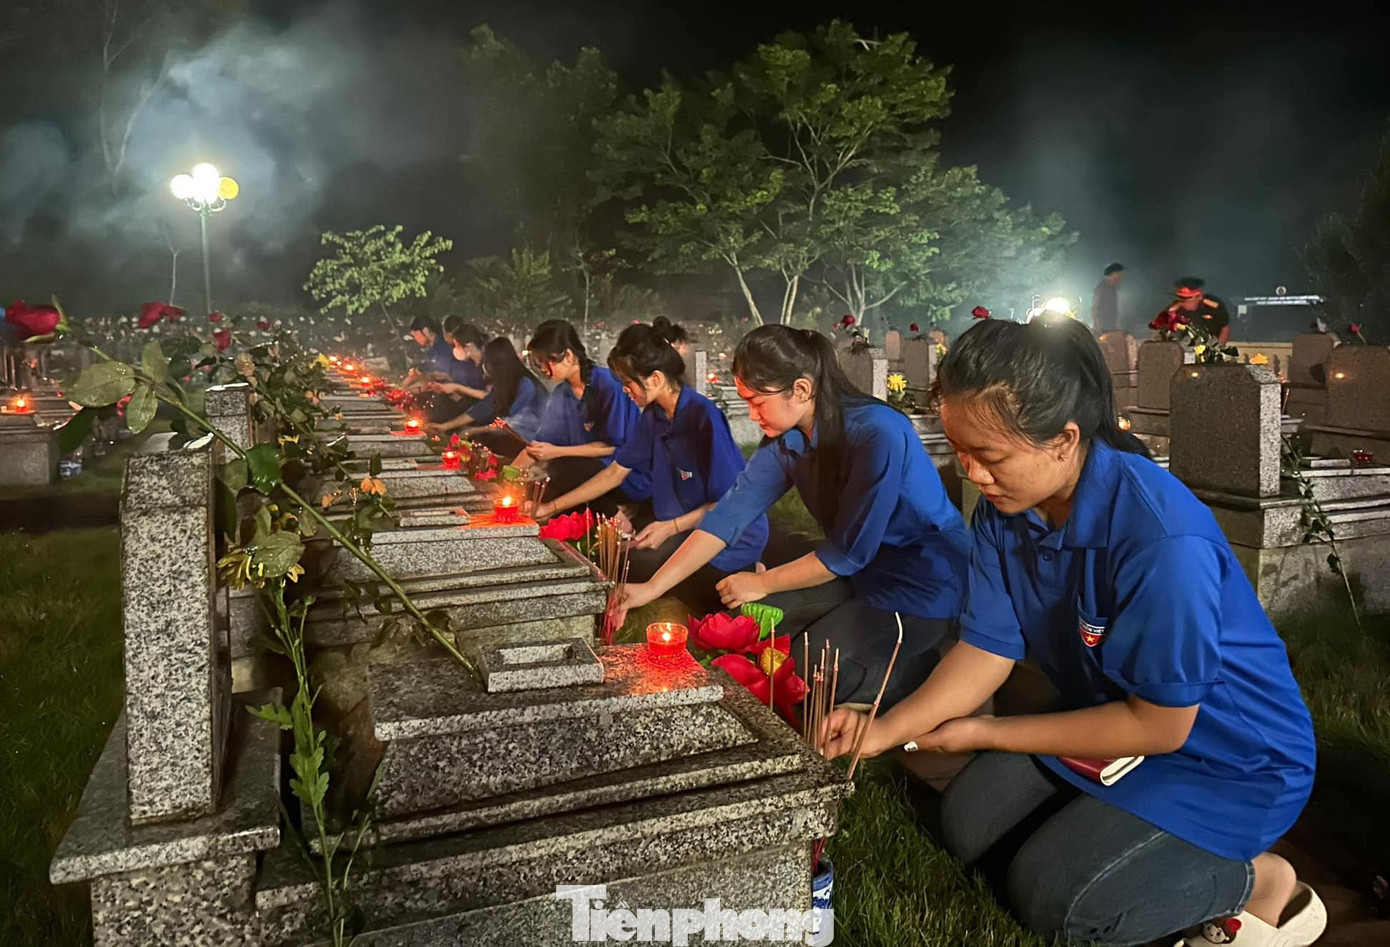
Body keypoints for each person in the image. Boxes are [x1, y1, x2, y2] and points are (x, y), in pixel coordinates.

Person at [823, 317, 1323, 947]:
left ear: (1062, 439)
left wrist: (987, 732)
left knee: (1064, 903)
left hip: (1227, 756)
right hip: (1113, 719)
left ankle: (1259, 881)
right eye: (960, 451)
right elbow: (985, 648)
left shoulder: (1159, 538)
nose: (973, 473)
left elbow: (1161, 726)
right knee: (969, 822)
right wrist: (885, 727)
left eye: (991, 456)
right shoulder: (1008, 511)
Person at [617, 324, 971, 708]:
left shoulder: (877, 434)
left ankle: (922, 675)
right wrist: (651, 588)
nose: (751, 416)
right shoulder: (788, 441)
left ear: (800, 390)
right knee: (757, 629)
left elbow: (849, 553)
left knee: (806, 671)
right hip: (858, 574)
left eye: (757, 401)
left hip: (923, 581)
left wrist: (765, 582)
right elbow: (728, 517)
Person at [533, 319, 767, 613]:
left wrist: (669, 528)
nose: (625, 392)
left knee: (648, 573)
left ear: (655, 379)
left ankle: (748, 568)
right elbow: (615, 472)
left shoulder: (702, 417)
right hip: (682, 529)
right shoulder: (654, 417)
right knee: (614, 559)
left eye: (629, 384)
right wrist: (549, 508)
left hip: (724, 536)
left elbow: (725, 504)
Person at [515, 319, 651, 516]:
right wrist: (506, 477)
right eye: (539, 364)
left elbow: (611, 446)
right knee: (538, 487)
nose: (543, 369)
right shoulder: (562, 394)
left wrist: (557, 452)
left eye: (546, 362)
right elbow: (539, 445)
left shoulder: (608, 385)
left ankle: (616, 515)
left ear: (568, 356)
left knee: (563, 467)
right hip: (583, 470)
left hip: (625, 475)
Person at [424, 337, 548, 462]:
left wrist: (473, 430)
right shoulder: (505, 382)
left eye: (487, 362)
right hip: (514, 435)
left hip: (537, 442)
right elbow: (483, 408)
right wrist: (445, 426)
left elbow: (512, 424)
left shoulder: (526, 384)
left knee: (484, 442)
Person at [1162, 276, 1232, 345]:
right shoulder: (1174, 309)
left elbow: (1224, 327)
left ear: (1199, 297)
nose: (1185, 302)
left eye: (1189, 298)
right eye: (1182, 298)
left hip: (1210, 342)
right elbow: (1163, 329)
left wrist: (1218, 349)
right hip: (1185, 345)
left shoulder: (1213, 307)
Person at [1091, 262, 1125, 334]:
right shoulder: (1101, 288)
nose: (1120, 278)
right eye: (1119, 275)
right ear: (1113, 274)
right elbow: (1095, 307)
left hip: (1111, 327)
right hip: (1102, 328)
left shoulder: (1113, 289)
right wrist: (1096, 324)